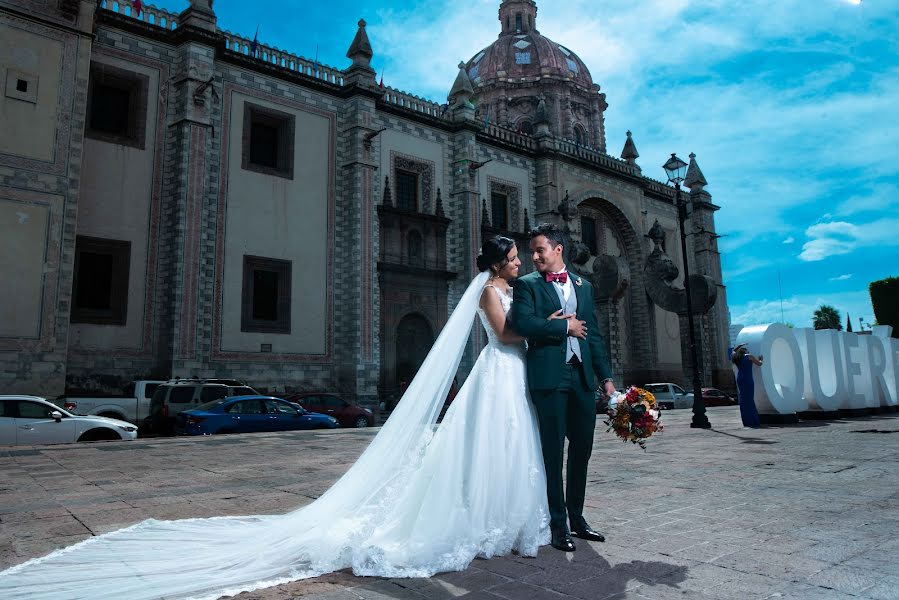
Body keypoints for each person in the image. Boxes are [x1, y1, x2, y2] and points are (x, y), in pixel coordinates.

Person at [0, 237, 552, 600]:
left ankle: (496, 518)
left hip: (507, 375)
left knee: (499, 446)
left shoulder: (510, 286)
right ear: (498, 261)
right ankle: (484, 520)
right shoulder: (488, 292)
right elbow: (504, 333)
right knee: (488, 443)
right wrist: (550, 326)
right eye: (515, 257)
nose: (522, 261)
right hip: (500, 368)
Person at [510, 223, 618, 552]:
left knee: (582, 449)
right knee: (553, 453)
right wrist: (562, 326)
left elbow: (594, 336)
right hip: (549, 379)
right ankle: (558, 525)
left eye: (539, 250)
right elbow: (521, 324)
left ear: (558, 249)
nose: (534, 256)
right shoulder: (527, 285)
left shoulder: (584, 286)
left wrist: (607, 380)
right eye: (532, 251)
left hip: (582, 379)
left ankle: (578, 518)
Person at [729, 343, 762, 428]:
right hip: (748, 379)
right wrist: (761, 359)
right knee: (750, 399)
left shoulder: (737, 358)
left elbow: (733, 351)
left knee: (744, 400)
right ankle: (753, 421)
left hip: (740, 379)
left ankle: (746, 421)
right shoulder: (749, 356)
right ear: (745, 351)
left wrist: (739, 345)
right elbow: (759, 364)